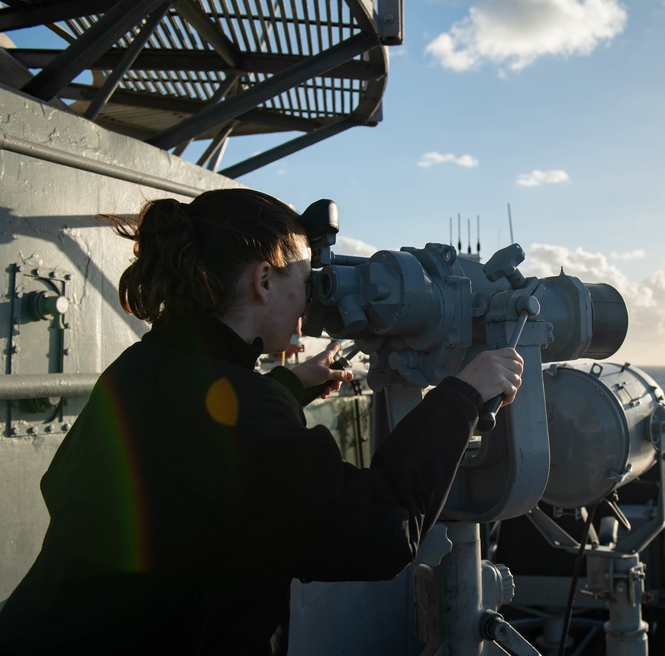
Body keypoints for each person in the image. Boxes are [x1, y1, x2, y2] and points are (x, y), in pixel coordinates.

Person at [0, 188, 524, 655]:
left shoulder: (145, 367)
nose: (310, 299)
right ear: (264, 281)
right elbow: (379, 529)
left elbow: (210, 448)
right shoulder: (237, 404)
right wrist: (461, 394)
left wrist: (292, 385)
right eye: (304, 280)